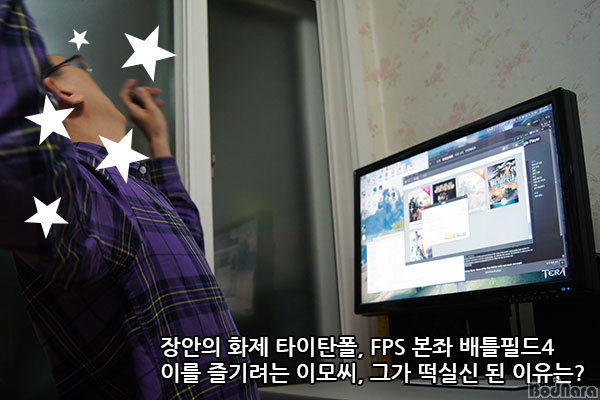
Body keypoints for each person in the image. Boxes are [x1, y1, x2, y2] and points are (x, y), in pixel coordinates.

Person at [0, 1, 259, 398]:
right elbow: (50, 200)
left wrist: (158, 139)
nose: (95, 77)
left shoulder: (128, 184)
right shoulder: (85, 190)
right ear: (61, 90)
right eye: (81, 66)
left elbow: (190, 242)